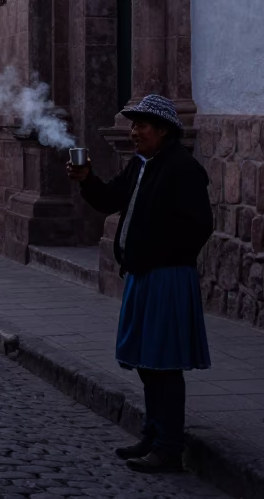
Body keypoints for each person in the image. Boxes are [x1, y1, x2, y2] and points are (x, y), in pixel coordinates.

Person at [67, 93, 213, 474]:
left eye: (141, 126)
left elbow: (200, 226)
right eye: (133, 125)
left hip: (167, 277)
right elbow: (109, 198)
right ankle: (152, 434)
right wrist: (86, 180)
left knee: (164, 365)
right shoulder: (140, 166)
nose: (134, 132)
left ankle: (169, 447)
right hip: (143, 275)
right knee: (148, 364)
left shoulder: (182, 169)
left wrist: (159, 254)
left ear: (163, 131)